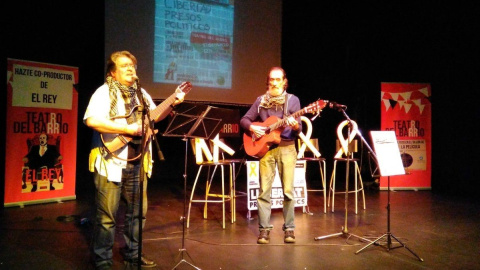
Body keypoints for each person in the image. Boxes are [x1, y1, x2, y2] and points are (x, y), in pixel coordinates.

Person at [84, 51, 186, 269]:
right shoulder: (103, 93)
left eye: (132, 65)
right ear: (112, 72)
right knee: (106, 218)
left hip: (138, 162)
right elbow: (92, 120)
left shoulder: (141, 94)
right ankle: (102, 260)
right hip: (110, 162)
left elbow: (154, 115)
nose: (131, 69)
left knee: (137, 215)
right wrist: (126, 128)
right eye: (124, 66)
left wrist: (173, 102)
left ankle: (132, 254)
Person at [240, 67, 302, 244]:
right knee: (263, 191)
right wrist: (252, 127)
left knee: (288, 191)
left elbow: (299, 128)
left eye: (278, 79)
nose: (274, 83)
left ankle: (289, 229)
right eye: (271, 79)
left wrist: (295, 126)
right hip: (266, 149)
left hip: (287, 148)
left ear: (284, 81)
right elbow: (245, 119)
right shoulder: (261, 100)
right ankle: (264, 230)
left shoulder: (293, 101)